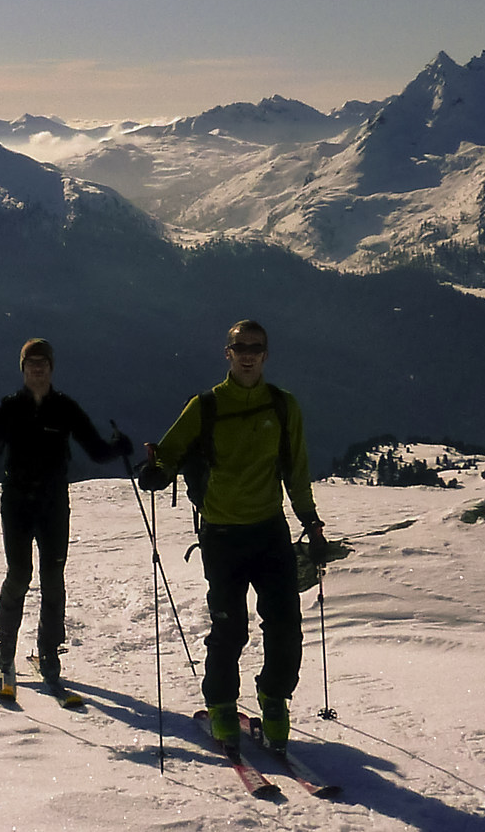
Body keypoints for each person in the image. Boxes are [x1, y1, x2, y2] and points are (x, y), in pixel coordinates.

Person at [138, 319, 326, 751]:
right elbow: (170, 452)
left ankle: (274, 699)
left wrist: (311, 522)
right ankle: (222, 703)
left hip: (270, 530)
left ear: (266, 354)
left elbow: (296, 470)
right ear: (228, 353)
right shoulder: (206, 406)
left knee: (285, 625)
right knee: (230, 627)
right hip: (222, 534)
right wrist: (157, 472)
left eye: (255, 348)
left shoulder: (283, 406)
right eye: (240, 347)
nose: (248, 355)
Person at [0, 338, 130, 701]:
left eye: (42, 363)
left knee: (52, 577)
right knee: (19, 574)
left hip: (53, 504)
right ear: (23, 368)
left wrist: (118, 448)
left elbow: (95, 450)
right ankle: (6, 647)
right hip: (17, 503)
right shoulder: (10, 409)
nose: (37, 369)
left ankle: (49, 652)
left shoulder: (65, 408)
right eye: (31, 363)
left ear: (51, 368)